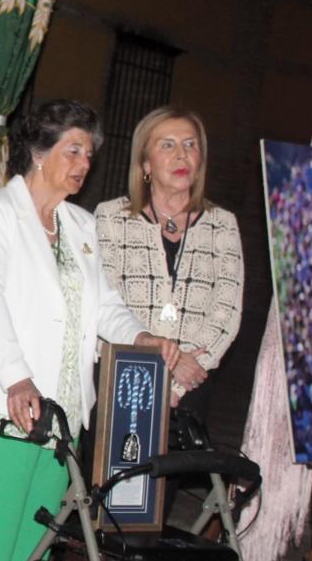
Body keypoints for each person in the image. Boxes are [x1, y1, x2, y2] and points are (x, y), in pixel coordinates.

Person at [0, 100, 179, 561]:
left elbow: (105, 307)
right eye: (72, 150)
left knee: (32, 550)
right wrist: (16, 377)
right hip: (4, 403)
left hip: (63, 415)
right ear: (38, 150)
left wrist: (142, 335)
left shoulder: (80, 224)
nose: (82, 164)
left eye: (89, 155)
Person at [94, 106, 243, 417]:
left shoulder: (223, 224)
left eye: (190, 145)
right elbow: (105, 303)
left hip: (191, 387)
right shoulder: (111, 218)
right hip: (124, 382)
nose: (181, 155)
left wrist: (177, 384)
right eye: (168, 145)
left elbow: (226, 311)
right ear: (146, 164)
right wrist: (165, 367)